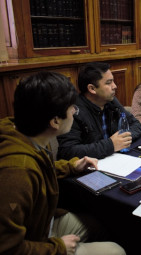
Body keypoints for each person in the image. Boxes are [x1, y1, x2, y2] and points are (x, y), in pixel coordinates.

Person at [0, 72, 126, 255]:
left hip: (42, 223)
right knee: (116, 251)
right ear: (55, 121)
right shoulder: (17, 172)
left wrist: (71, 166)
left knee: (101, 223)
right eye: (71, 107)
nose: (75, 111)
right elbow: (7, 247)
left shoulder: (23, 133)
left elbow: (41, 167)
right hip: (34, 242)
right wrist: (58, 247)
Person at [57, 62, 141, 160]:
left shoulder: (111, 102)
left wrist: (122, 140)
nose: (115, 86)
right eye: (108, 82)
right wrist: (111, 145)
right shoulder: (74, 111)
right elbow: (68, 152)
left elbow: (136, 124)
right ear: (92, 88)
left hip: (113, 159)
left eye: (113, 81)